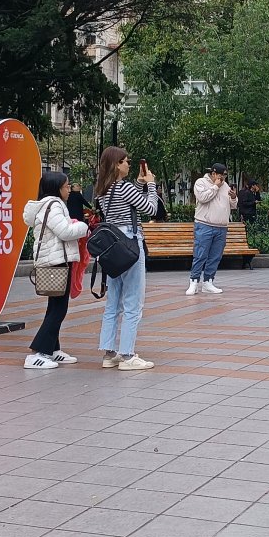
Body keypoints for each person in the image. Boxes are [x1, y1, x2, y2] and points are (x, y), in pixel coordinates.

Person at [94, 146, 160, 370]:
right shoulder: (124, 188)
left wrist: (139, 184)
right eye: (125, 161)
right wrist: (150, 184)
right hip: (131, 244)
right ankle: (128, 356)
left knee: (113, 303)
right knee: (133, 302)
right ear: (116, 165)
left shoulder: (103, 190)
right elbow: (151, 208)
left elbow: (127, 202)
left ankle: (109, 353)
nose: (129, 164)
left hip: (113, 247)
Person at [22, 172, 89, 370]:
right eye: (67, 186)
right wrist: (83, 226)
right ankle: (37, 353)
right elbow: (65, 232)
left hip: (56, 260)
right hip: (56, 262)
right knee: (58, 309)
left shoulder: (49, 205)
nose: (69, 190)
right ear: (57, 188)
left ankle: (52, 349)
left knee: (55, 307)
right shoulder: (53, 205)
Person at [187, 163, 237, 295]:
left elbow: (233, 205)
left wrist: (233, 197)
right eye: (221, 175)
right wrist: (215, 186)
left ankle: (208, 281)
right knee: (200, 254)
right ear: (214, 174)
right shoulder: (201, 182)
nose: (223, 178)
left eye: (225, 176)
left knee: (215, 256)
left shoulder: (225, 185)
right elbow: (203, 198)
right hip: (205, 224)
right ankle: (194, 281)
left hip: (221, 227)